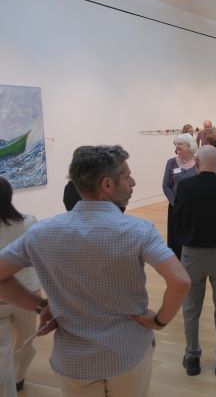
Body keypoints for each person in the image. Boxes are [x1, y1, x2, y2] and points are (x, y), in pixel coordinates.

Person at [0, 145, 190, 397]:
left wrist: (40, 306)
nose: (133, 182)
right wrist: (158, 321)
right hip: (128, 354)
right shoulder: (139, 230)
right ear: (107, 185)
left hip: (73, 362)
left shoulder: (41, 233)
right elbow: (180, 281)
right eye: (126, 176)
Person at [172, 145, 216, 378]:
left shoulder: (184, 187)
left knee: (191, 307)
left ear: (198, 162)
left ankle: (192, 357)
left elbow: (177, 215)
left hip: (192, 255)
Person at [0, 177, 40, 395]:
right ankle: (18, 378)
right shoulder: (29, 222)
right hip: (27, 293)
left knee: (1, 350)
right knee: (25, 342)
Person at [162, 133, 198, 258]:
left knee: (192, 233)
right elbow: (166, 186)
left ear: (189, 146)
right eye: (176, 144)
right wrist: (174, 203)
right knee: (175, 236)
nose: (177, 146)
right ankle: (176, 260)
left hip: (193, 207)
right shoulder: (171, 162)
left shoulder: (198, 162)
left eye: (180, 144)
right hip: (176, 206)